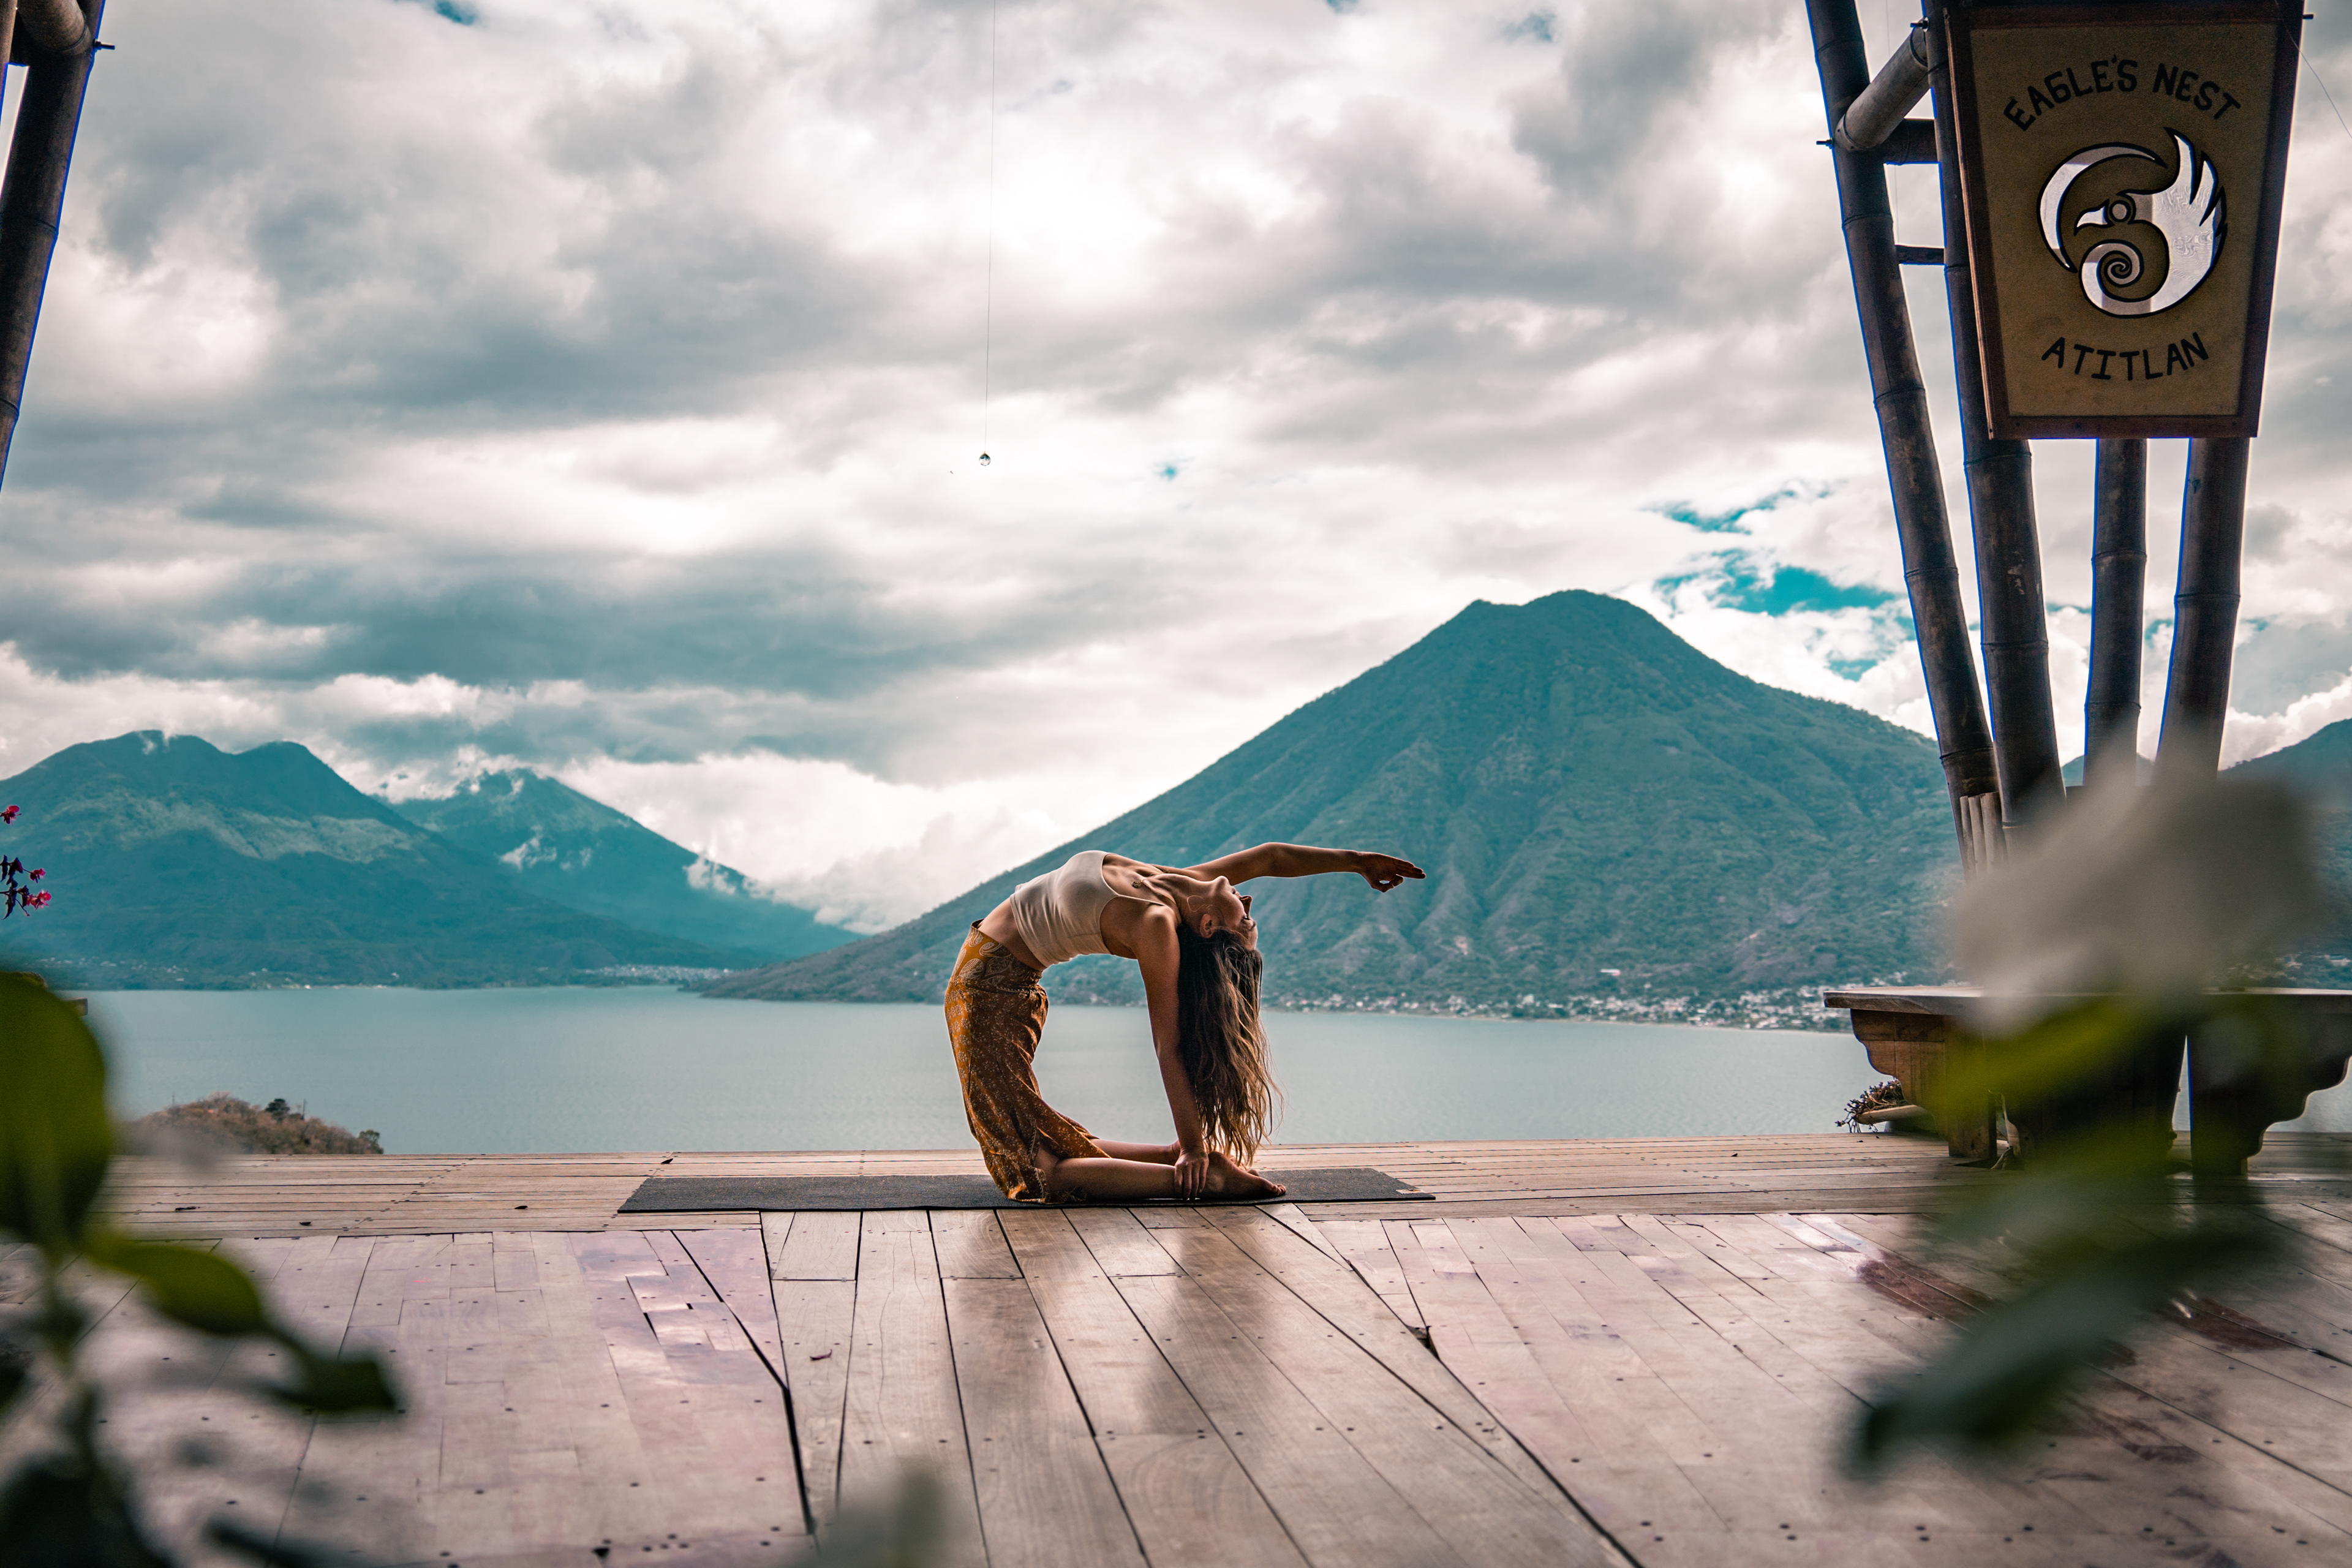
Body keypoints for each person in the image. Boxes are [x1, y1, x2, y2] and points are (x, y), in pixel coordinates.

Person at [946, 842, 1425, 1204]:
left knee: (1036, 1172)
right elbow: (1272, 857)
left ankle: (1197, 1173)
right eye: (1252, 921)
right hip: (995, 985)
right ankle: (1181, 1157)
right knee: (1039, 1132)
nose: (1252, 904)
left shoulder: (1156, 922)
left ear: (1210, 927)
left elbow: (1167, 1046)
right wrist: (1358, 860)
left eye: (1247, 923)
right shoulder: (1173, 882)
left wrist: (1195, 1146)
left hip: (990, 991)